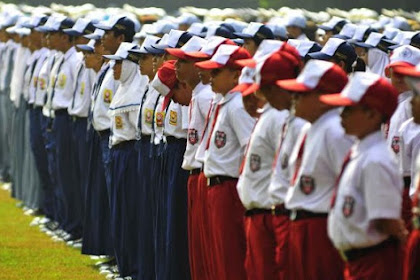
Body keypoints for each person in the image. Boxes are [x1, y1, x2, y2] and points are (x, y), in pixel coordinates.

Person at [321, 72, 407, 280]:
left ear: (372, 114)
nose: (342, 115)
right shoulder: (360, 151)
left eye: (349, 109)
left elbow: (386, 221)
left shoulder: (376, 159)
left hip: (374, 261)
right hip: (357, 261)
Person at [276, 59, 351, 280]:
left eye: (302, 95)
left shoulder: (335, 130)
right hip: (301, 223)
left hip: (321, 227)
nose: (294, 99)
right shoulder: (311, 126)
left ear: (324, 99)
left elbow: (347, 185)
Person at [235, 41, 300, 280]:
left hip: (269, 212)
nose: (260, 94)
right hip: (258, 212)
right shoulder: (272, 114)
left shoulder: (281, 117)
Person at [195, 44, 254, 280]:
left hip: (229, 187)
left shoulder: (238, 105)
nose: (211, 77)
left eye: (217, 72)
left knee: (230, 257)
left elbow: (249, 148)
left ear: (236, 74)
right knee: (219, 255)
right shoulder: (226, 102)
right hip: (218, 186)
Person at [104, 42, 148, 280]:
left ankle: (133, 267)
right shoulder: (123, 89)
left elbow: (137, 131)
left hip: (130, 155)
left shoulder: (135, 91)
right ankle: (124, 265)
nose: (114, 68)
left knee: (131, 212)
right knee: (119, 211)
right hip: (118, 152)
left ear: (131, 66)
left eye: (119, 63)